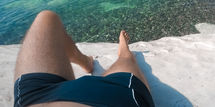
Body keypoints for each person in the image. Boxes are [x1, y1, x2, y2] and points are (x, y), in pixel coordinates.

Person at [14, 10, 154, 107]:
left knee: (46, 19)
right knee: (126, 58)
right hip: (116, 99)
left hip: (35, 96)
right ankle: (123, 48)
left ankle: (85, 61)